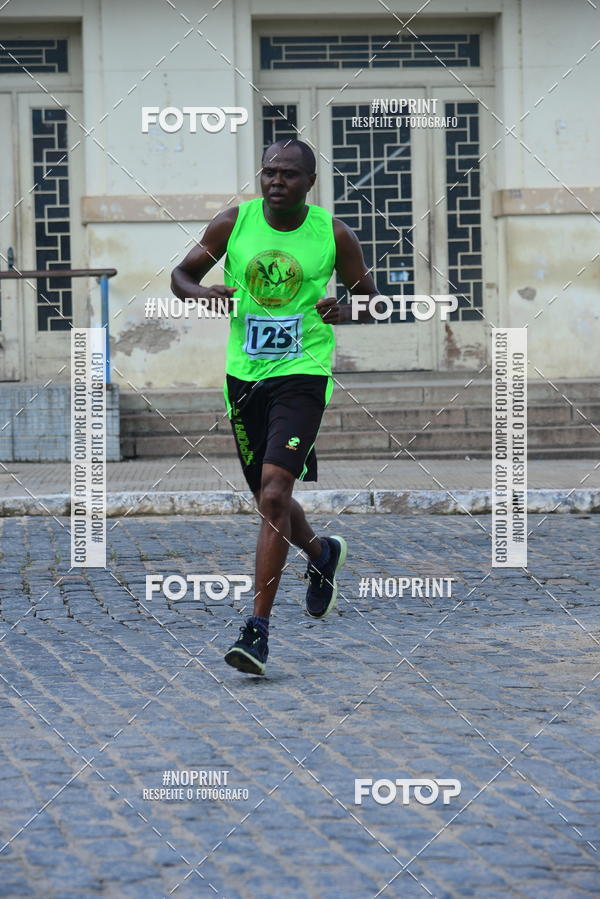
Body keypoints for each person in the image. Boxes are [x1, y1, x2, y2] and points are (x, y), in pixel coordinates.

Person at [171, 138, 377, 675]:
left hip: (303, 376)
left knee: (274, 491)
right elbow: (181, 275)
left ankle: (256, 631)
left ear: (309, 183)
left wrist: (346, 308)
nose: (275, 181)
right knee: (271, 503)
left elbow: (371, 299)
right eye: (269, 173)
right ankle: (321, 554)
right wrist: (200, 295)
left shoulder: (332, 233)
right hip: (244, 379)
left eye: (288, 174)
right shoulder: (232, 224)